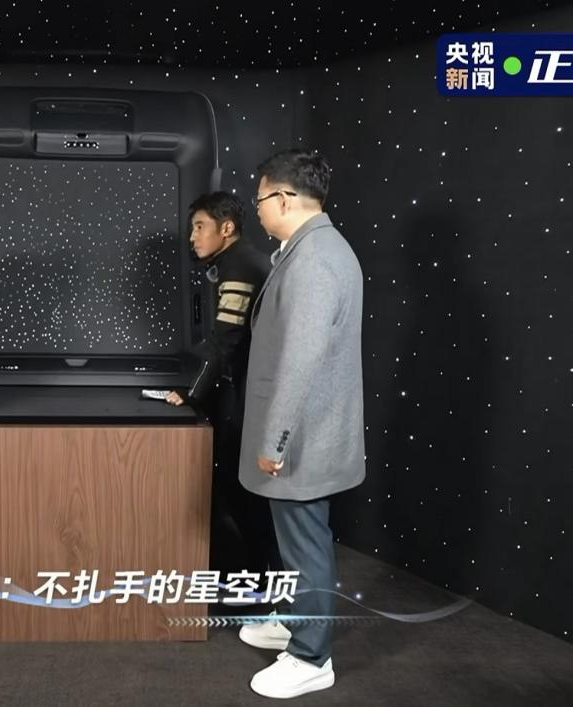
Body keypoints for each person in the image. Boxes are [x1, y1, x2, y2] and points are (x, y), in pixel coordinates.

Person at [234, 150, 365, 699]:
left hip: (304, 438)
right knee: (297, 540)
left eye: (261, 199)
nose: (258, 210)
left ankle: (311, 657)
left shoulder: (314, 260)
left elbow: (301, 361)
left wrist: (276, 440)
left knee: (306, 544)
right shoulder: (312, 249)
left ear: (284, 198)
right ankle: (296, 621)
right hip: (308, 432)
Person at [162, 192, 281, 579]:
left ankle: (262, 578)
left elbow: (225, 340)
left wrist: (192, 393)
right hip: (248, 388)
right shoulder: (237, 261)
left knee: (243, 489)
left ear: (226, 228)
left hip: (254, 394)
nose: (193, 236)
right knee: (239, 487)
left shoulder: (240, 267)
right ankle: (258, 574)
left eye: (200, 226)